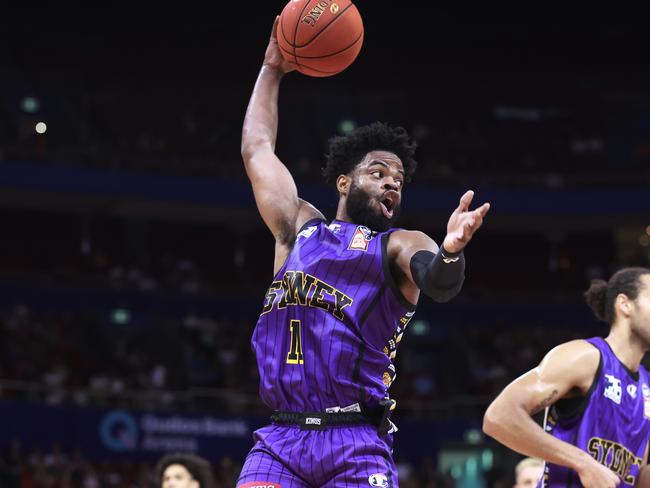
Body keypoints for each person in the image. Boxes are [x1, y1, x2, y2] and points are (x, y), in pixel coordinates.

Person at [236, 16, 490, 488]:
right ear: (344, 182)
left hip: (354, 440)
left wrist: (451, 251)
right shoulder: (297, 228)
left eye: (398, 180)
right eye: (378, 172)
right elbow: (257, 149)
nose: (392, 182)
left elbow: (439, 282)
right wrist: (272, 68)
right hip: (279, 439)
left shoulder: (399, 245)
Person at [483, 267, 650, 488]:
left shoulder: (646, 387)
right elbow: (499, 417)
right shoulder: (585, 357)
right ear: (624, 304)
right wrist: (582, 462)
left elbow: (638, 476)